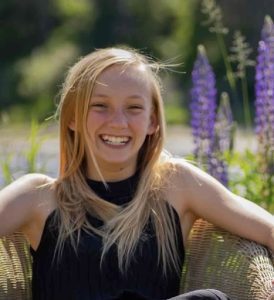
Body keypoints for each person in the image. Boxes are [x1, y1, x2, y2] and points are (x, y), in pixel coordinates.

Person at [0, 46, 273, 300]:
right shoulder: (38, 196)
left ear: (152, 121)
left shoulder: (176, 184)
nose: (118, 122)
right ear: (73, 118)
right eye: (100, 106)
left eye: (134, 108)